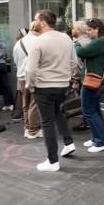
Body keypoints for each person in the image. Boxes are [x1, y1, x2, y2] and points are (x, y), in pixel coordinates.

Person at [25, 9, 77, 172]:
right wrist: (67, 77)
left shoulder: (37, 41)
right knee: (57, 113)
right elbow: (74, 62)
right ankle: (68, 143)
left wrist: (30, 85)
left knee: (47, 122)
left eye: (35, 19)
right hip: (62, 85)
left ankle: (52, 161)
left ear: (42, 22)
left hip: (43, 87)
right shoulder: (66, 38)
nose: (33, 22)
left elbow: (30, 70)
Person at [75, 18, 104, 153]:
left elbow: (80, 52)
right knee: (95, 110)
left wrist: (76, 43)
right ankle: (97, 138)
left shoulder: (99, 42)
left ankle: (102, 141)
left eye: (90, 30)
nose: (88, 33)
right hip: (96, 81)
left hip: (91, 81)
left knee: (89, 111)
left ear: (97, 29)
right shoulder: (101, 42)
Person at [13, 24, 42, 139]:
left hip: (21, 77)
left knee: (26, 104)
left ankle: (27, 127)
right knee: (34, 104)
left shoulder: (18, 44)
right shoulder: (38, 41)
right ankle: (33, 130)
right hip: (34, 76)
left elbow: (16, 61)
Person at [71, 21, 91, 132]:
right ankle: (87, 121)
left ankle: (86, 122)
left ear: (78, 30)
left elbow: (76, 64)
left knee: (84, 101)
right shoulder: (89, 41)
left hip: (82, 77)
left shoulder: (77, 45)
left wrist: (75, 79)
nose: (72, 30)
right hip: (90, 76)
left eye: (73, 28)